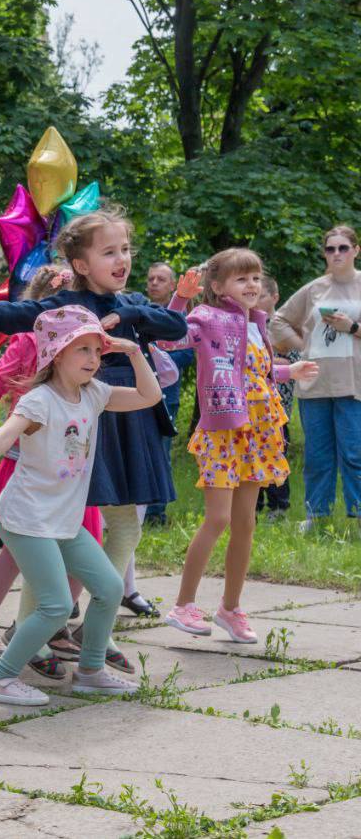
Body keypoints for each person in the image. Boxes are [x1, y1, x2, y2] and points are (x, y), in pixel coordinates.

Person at [0, 206, 187, 679]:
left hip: (130, 417)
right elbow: (5, 311)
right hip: (85, 424)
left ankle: (95, 626)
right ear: (81, 264)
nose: (122, 259)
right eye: (109, 251)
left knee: (125, 529)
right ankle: (34, 629)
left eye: (126, 249)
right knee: (59, 529)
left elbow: (176, 327)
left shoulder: (131, 305)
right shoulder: (63, 307)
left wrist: (130, 314)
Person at [0, 305, 160, 706]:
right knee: (55, 605)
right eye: (82, 350)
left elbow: (148, 396)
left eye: (96, 351)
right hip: (27, 518)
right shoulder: (40, 400)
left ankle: (89, 672)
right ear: (56, 354)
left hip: (63, 520)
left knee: (106, 587)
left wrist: (134, 352)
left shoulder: (94, 395)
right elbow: (2, 437)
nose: (93, 359)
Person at [0, 265, 102, 676]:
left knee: (89, 540)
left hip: (71, 471)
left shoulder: (90, 355)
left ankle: (53, 623)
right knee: (16, 551)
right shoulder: (27, 343)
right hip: (24, 465)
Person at [160, 256, 318, 642]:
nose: (251, 285)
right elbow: (166, 338)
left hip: (258, 433)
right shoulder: (207, 319)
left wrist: (288, 372)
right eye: (241, 278)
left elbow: (254, 372)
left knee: (246, 522)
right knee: (219, 519)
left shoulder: (256, 324)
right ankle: (183, 604)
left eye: (255, 277)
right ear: (217, 286)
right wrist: (180, 300)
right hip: (224, 431)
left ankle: (230, 609)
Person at [269, 225, 361, 531]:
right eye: (330, 248)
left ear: (355, 251)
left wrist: (352, 327)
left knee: (354, 453)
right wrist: (301, 347)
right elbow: (279, 319)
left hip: (354, 383)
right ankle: (316, 516)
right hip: (315, 382)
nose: (336, 254)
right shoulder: (314, 289)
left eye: (343, 248)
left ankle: (358, 515)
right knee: (318, 455)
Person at [143, 261, 195, 527]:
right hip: (136, 393)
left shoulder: (181, 319)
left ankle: (156, 512)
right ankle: (136, 508)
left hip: (166, 397)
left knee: (160, 451)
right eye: (151, 278)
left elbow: (188, 353)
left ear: (173, 285)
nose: (154, 283)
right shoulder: (139, 312)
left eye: (161, 279)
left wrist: (158, 357)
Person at [256, 276, 295, 519]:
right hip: (253, 402)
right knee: (253, 452)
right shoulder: (247, 324)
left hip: (278, 401)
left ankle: (279, 505)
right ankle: (254, 505)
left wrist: (259, 362)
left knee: (276, 452)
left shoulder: (283, 325)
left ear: (274, 297)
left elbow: (291, 361)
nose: (255, 299)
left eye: (261, 295)